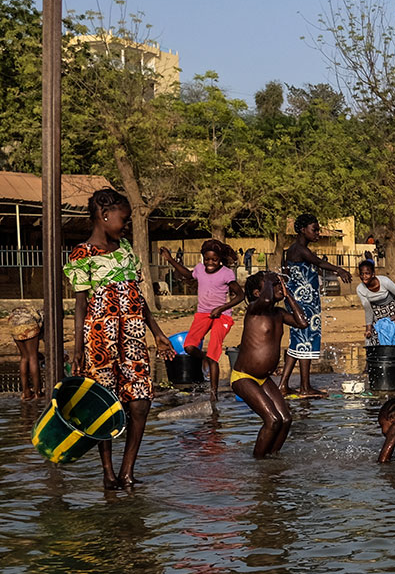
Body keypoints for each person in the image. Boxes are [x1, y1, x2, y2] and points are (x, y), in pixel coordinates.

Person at [64, 189, 175, 489]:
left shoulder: (126, 249)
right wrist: (77, 350)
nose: (126, 225)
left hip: (133, 337)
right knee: (107, 406)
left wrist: (159, 334)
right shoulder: (81, 254)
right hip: (100, 340)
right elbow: (79, 305)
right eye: (123, 220)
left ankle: (128, 471)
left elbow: (138, 297)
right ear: (104, 215)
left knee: (141, 401)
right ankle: (108, 473)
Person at [231, 271, 307, 458]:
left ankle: (272, 457)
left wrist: (288, 295)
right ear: (258, 292)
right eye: (273, 285)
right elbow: (265, 301)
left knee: (286, 419)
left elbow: (302, 322)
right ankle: (258, 462)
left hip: (263, 379)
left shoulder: (278, 313)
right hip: (243, 377)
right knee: (272, 420)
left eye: (278, 284)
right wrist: (270, 281)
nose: (278, 287)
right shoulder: (254, 309)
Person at [159, 239, 244, 401]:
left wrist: (221, 308)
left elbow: (240, 295)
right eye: (207, 260)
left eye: (214, 260)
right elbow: (187, 274)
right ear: (203, 258)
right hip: (203, 314)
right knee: (189, 347)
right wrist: (170, 259)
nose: (210, 263)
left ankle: (213, 395)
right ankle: (204, 358)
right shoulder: (199, 269)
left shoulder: (226, 273)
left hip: (222, 316)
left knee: (214, 356)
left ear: (220, 259)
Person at [280, 214, 352, 397]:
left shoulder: (294, 250)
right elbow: (319, 263)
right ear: (303, 230)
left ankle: (283, 385)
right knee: (305, 341)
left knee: (296, 343)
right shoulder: (300, 250)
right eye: (315, 229)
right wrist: (339, 270)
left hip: (300, 301)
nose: (318, 233)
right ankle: (305, 387)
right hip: (304, 303)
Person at [356, 260, 395, 346]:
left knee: (389, 334)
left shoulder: (384, 281)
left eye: (367, 273)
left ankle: (390, 356)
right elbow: (368, 309)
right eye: (362, 274)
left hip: (391, 308)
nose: (364, 276)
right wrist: (368, 329)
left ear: (373, 274)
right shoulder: (360, 289)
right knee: (373, 338)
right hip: (375, 310)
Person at [10, 306, 43, 400]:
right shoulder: (50, 318)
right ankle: (37, 392)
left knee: (24, 357)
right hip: (28, 321)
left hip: (14, 320)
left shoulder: (39, 311)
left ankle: (26, 392)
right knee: (33, 357)